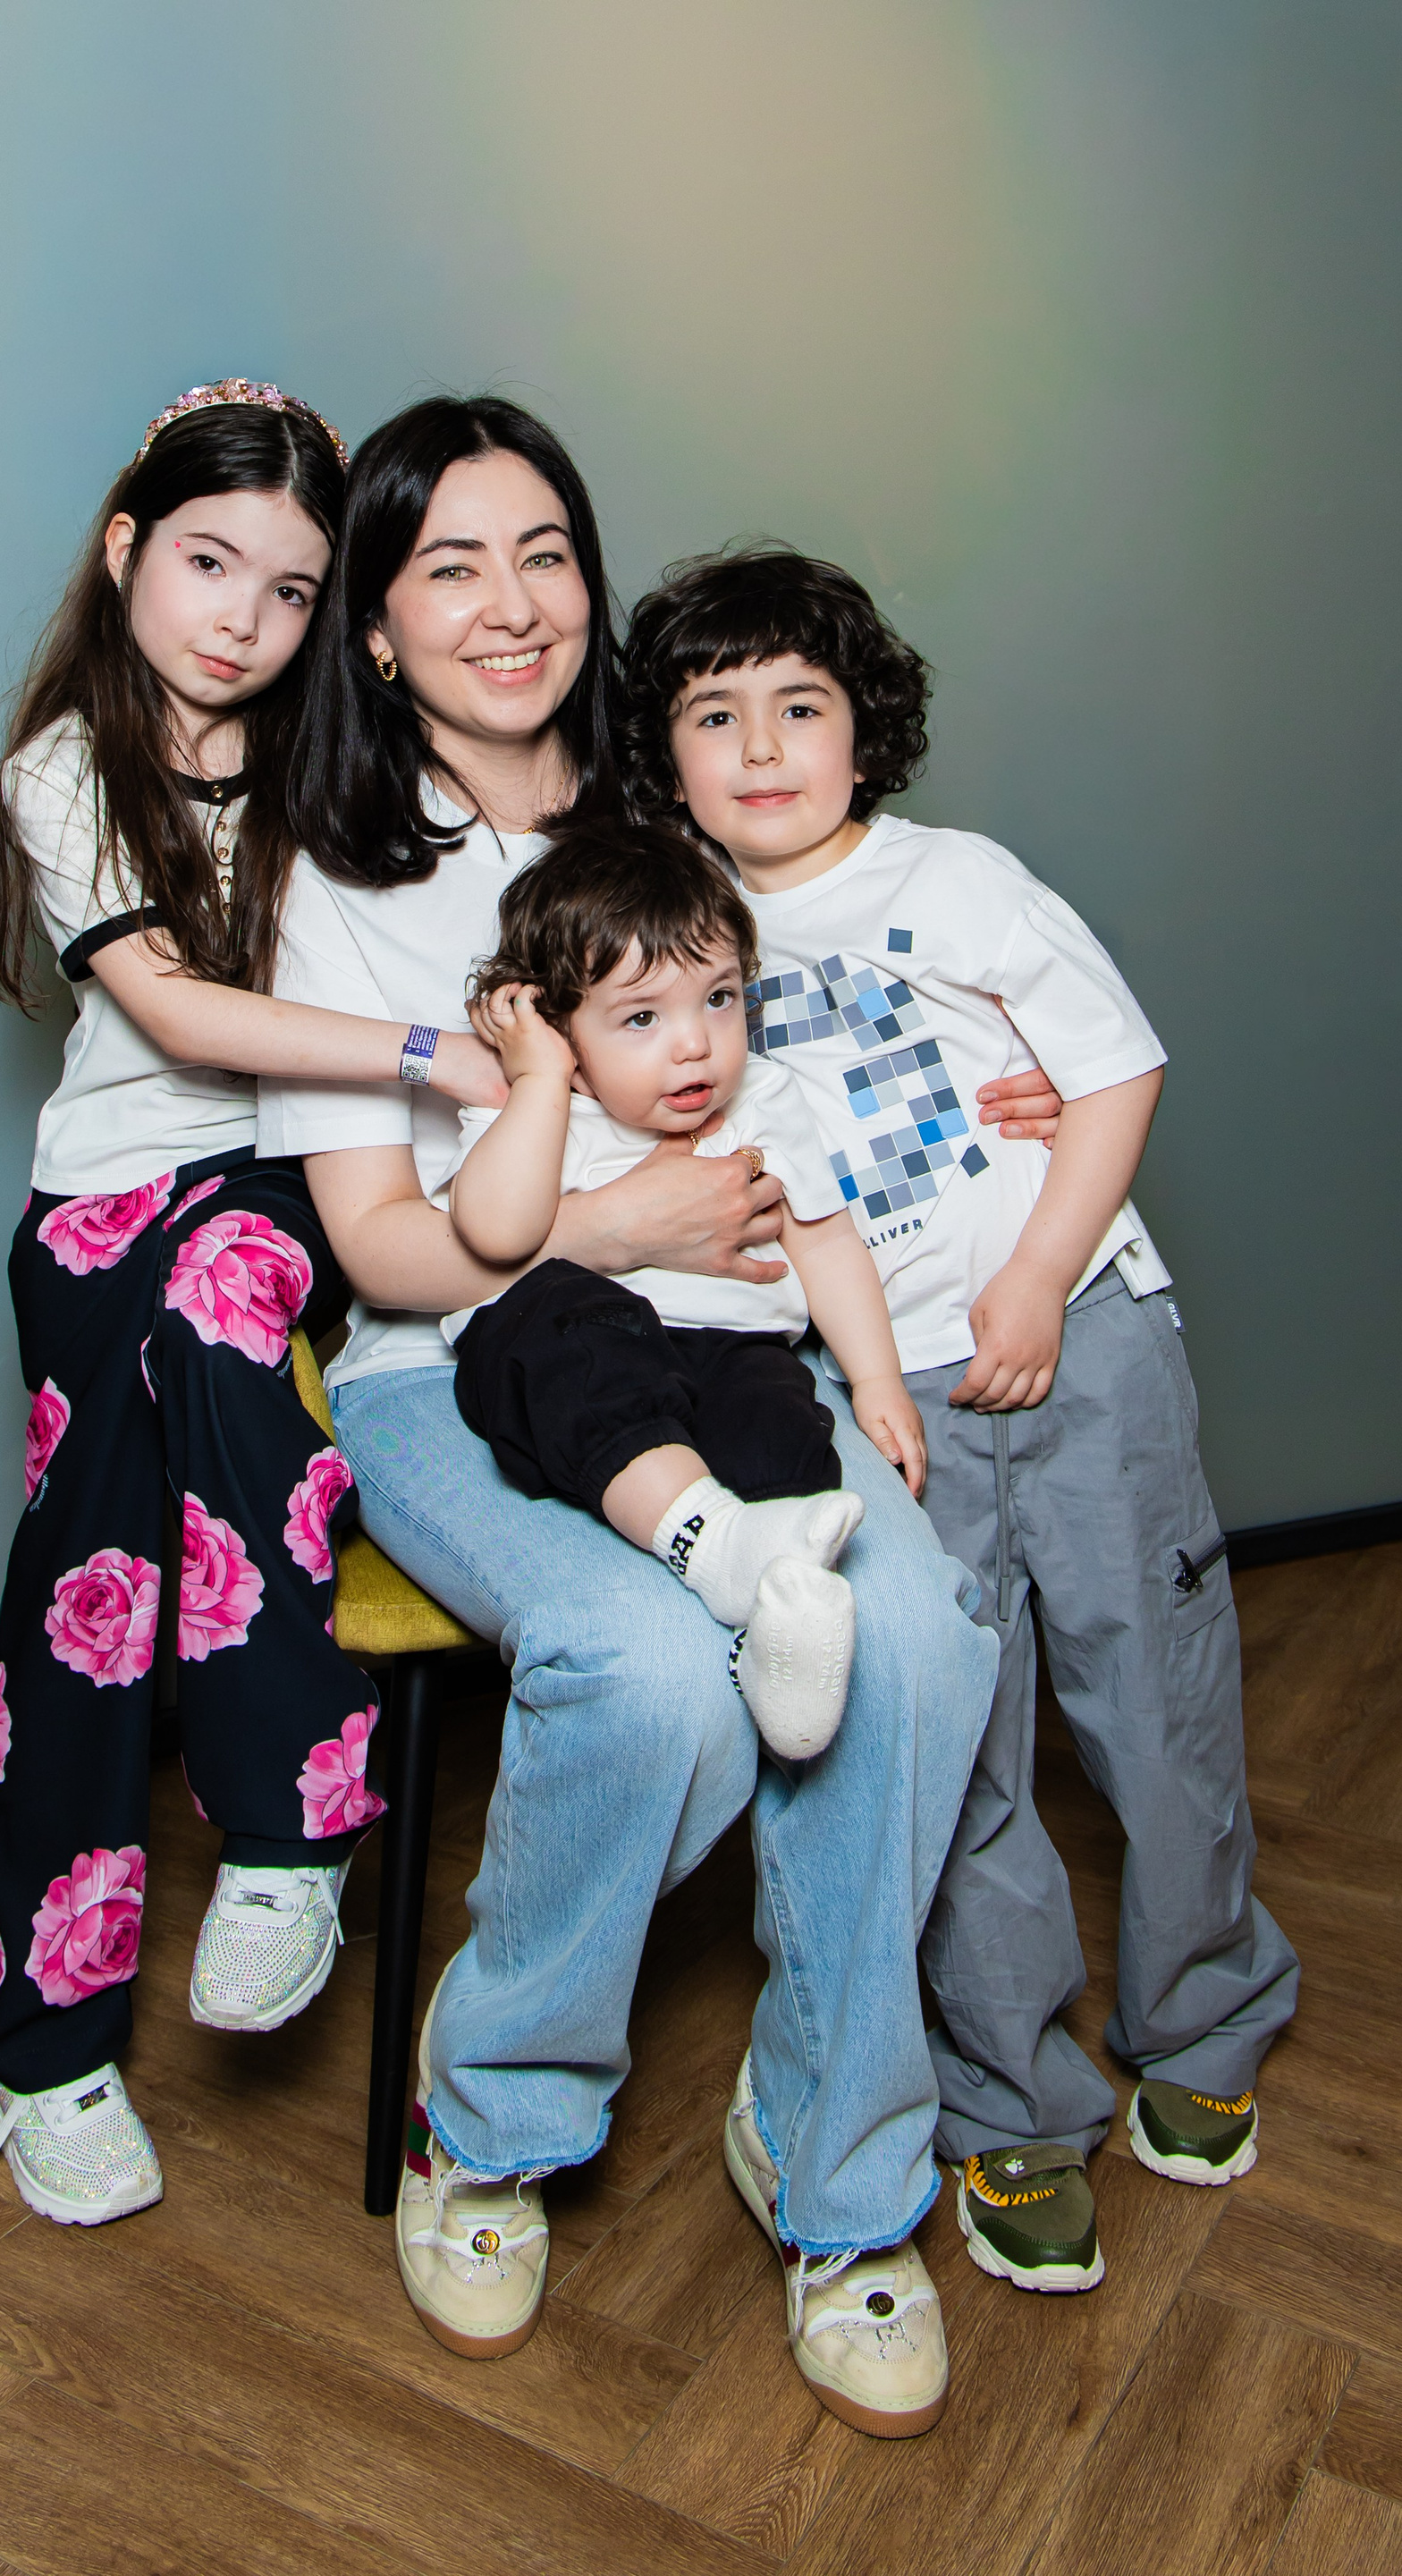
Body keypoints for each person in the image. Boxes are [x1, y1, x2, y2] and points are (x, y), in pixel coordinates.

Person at [265, 393, 1035, 2437]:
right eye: (451, 565)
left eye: (545, 553)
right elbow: (381, 1242)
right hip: (458, 1364)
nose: (512, 603)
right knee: (648, 1665)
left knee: (916, 1631)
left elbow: (848, 1022)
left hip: (735, 1346)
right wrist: (601, 1222)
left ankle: (838, 2167)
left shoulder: (679, 811)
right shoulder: (335, 883)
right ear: (374, 626)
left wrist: (1015, 1088)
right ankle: (492, 2114)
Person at [624, 542, 1299, 2295]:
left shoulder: (961, 880)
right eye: (714, 714)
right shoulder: (674, 932)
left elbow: (1117, 1066)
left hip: (1080, 1335)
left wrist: (1039, 1274)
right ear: (664, 752)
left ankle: (1205, 2016)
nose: (760, 746)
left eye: (799, 706)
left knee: (1158, 1693)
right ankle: (1009, 2094)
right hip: (885, 1391)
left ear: (865, 728)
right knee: (959, 1740)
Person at [0, 381, 503, 2229]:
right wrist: (432, 1052)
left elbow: (535, 864)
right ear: (127, 551)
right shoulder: (64, 765)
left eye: (288, 590)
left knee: (218, 1298)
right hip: (100, 1201)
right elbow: (180, 1014)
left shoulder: (344, 754)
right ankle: (43, 2042)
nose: (240, 620)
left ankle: (289, 1824)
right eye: (207, 563)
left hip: (288, 1175)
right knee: (89, 1589)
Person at [443, 820, 928, 1761]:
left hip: (734, 1349)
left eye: (719, 998)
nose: (695, 1047)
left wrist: (876, 1380)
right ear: (558, 1026)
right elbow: (495, 1234)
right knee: (567, 1329)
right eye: (641, 1019)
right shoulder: (542, 1113)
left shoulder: (766, 1101)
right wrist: (539, 1078)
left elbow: (825, 1239)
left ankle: (778, 1623)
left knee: (786, 1438)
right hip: (579, 1351)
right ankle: (709, 1541)